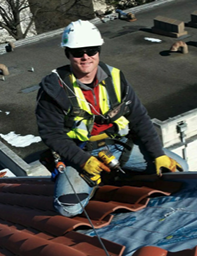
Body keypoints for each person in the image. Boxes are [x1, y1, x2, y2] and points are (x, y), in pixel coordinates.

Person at [36, 20, 188, 217]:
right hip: (81, 153)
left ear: (98, 51)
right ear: (68, 54)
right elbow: (52, 134)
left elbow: (139, 118)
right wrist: (83, 161)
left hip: (118, 146)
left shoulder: (115, 78)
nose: (85, 57)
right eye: (77, 52)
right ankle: (100, 178)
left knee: (179, 169)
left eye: (91, 50)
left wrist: (157, 153)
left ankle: (116, 174)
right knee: (67, 207)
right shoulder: (54, 88)